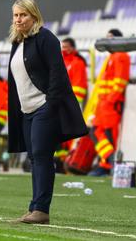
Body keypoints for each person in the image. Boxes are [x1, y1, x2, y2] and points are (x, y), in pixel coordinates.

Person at [7, 0, 87, 224]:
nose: (18, 19)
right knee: (35, 158)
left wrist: (50, 104)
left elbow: (57, 73)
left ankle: (41, 210)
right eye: (15, 15)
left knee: (42, 157)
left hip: (43, 107)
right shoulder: (17, 41)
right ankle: (34, 207)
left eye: (23, 15)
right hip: (26, 110)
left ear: (34, 16)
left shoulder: (45, 38)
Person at [88, 29, 130, 177]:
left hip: (111, 105)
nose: (107, 41)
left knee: (109, 135)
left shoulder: (121, 56)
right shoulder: (112, 57)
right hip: (103, 105)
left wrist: (110, 101)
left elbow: (120, 82)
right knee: (95, 131)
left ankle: (108, 166)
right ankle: (110, 161)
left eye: (111, 38)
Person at [54, 37, 88, 172]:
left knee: (68, 135)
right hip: (58, 103)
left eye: (67, 47)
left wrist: (70, 102)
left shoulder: (78, 63)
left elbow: (80, 87)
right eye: (63, 46)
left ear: (73, 48)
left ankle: (67, 162)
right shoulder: (60, 61)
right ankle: (61, 162)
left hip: (69, 104)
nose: (64, 49)